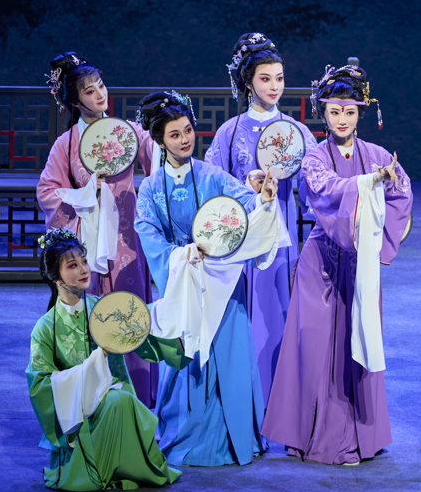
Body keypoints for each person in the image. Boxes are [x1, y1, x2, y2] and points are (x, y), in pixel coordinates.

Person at [261, 65, 412, 465]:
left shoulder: (378, 156)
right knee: (314, 347)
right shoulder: (314, 158)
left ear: (361, 113)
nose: (342, 119)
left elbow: (402, 194)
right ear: (323, 113)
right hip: (321, 264)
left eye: (349, 111)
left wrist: (378, 230)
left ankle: (361, 435)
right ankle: (312, 435)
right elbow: (325, 189)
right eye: (334, 112)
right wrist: (369, 183)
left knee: (357, 341)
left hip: (361, 264)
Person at [134, 90, 284, 467]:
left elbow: (244, 204)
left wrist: (263, 199)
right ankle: (189, 434)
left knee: (229, 354)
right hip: (184, 281)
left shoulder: (211, 175)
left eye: (188, 130)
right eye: (174, 134)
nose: (185, 139)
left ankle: (236, 438)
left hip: (224, 280)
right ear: (160, 141)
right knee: (187, 355)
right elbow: (148, 233)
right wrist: (182, 256)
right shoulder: (150, 188)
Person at [36, 51, 159, 407]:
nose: (100, 94)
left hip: (127, 242)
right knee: (91, 316)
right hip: (87, 243)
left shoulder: (128, 132)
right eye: (89, 91)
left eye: (101, 85)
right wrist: (86, 193)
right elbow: (47, 191)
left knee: (130, 313)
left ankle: (135, 401)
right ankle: (91, 400)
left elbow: (158, 161)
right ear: (75, 101)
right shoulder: (67, 144)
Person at [204, 33, 318, 407]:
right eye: (265, 78)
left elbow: (317, 187)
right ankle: (241, 402)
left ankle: (280, 405)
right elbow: (212, 186)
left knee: (277, 319)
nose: (274, 86)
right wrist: (245, 189)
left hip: (280, 242)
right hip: (240, 243)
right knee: (239, 320)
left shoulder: (296, 132)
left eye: (279, 78)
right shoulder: (229, 132)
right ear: (248, 82)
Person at [26, 227, 189, 491]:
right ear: (55, 277)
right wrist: (92, 365)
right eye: (73, 265)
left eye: (84, 261)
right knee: (117, 400)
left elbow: (142, 325)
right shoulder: (45, 328)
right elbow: (40, 384)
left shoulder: (103, 309)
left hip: (115, 393)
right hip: (77, 413)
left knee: (119, 399)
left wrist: (175, 296)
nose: (84, 270)